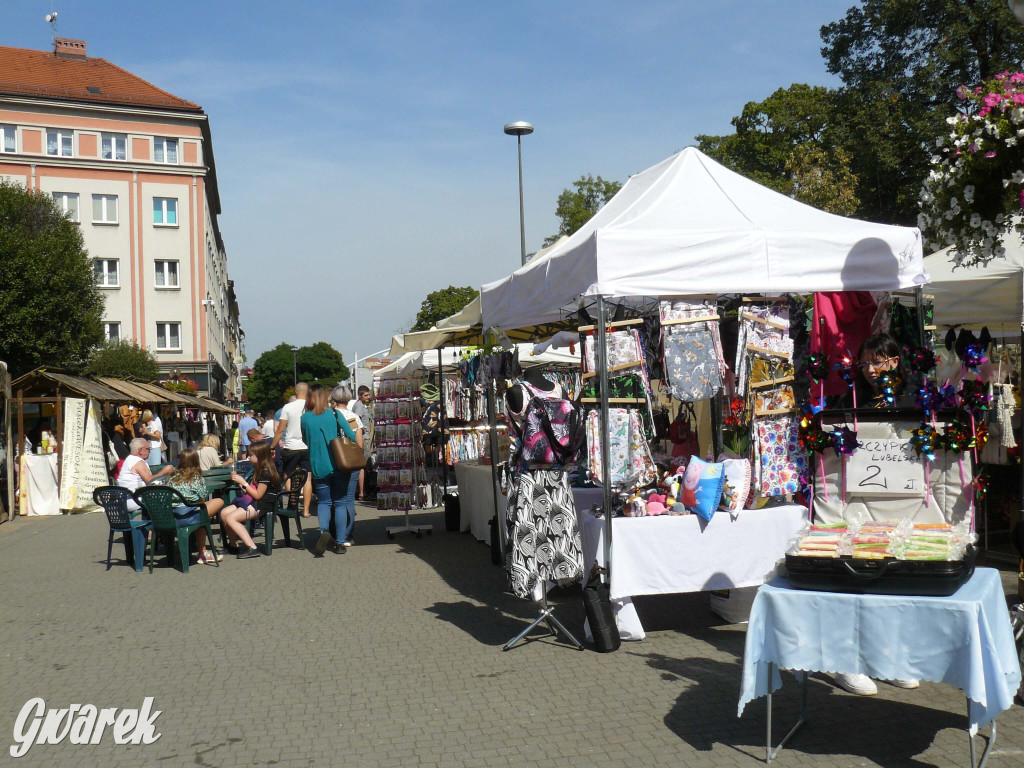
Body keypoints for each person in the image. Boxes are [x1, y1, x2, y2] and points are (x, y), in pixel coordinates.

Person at [831, 332, 919, 696]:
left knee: (896, 581)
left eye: (876, 361)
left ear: (894, 361)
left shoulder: (915, 398)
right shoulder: (849, 399)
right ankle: (846, 659)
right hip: (856, 501)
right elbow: (829, 434)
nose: (869, 370)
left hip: (904, 503)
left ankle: (888, 656)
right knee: (856, 578)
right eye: (864, 362)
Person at [301, 383, 358, 556]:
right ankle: (340, 543)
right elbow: (352, 435)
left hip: (318, 464)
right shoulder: (335, 414)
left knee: (324, 502)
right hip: (339, 464)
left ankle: (324, 531)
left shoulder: (305, 418)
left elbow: (305, 440)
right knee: (340, 503)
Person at [220, 441, 280, 559]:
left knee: (231, 518)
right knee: (224, 513)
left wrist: (243, 483)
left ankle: (252, 547)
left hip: (263, 504)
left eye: (251, 454)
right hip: (252, 500)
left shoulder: (266, 472)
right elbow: (253, 491)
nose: (248, 456)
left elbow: (258, 495)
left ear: (259, 456)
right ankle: (234, 545)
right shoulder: (257, 469)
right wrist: (243, 487)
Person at [165, 448, 225, 565]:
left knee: (200, 511)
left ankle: (200, 551)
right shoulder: (196, 477)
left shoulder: (171, 477)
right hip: (187, 517)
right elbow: (203, 496)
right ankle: (202, 552)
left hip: (172, 517)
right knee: (218, 502)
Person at [331, 385, 365, 547]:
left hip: (334, 461)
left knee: (336, 498)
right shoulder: (352, 418)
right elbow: (359, 443)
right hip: (350, 461)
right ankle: (346, 535)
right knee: (349, 499)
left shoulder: (330, 415)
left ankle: (335, 532)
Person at [272, 384, 312, 517]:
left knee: (288, 474)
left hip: (290, 446)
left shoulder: (288, 407)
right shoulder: (311, 406)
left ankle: (292, 503)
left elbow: (280, 429)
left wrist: (272, 446)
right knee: (307, 478)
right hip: (306, 446)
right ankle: (306, 510)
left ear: (296, 391)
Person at [116, 438, 173, 511]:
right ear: (140, 450)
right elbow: (149, 481)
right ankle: (160, 521)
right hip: (134, 500)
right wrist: (164, 471)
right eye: (148, 449)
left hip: (124, 499)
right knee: (165, 499)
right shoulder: (138, 462)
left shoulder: (129, 459)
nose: (149, 452)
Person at [349, 385, 373, 500]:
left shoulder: (360, 405)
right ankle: (362, 492)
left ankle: (360, 491)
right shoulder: (359, 406)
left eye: (368, 394)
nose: (368, 397)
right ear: (360, 395)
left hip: (362, 437)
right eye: (366, 395)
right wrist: (361, 429)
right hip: (363, 438)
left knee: (361, 466)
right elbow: (354, 420)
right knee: (364, 465)